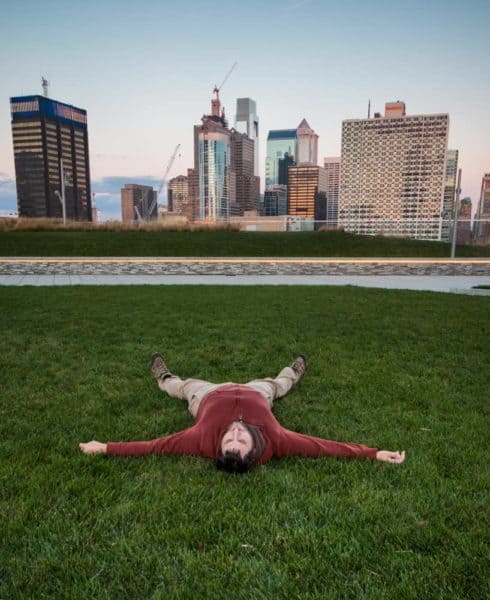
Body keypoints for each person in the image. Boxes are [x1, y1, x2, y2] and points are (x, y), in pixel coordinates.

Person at [80, 354, 406, 473]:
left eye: (229, 441)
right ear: (254, 449)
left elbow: (154, 446)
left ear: (218, 449)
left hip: (208, 394)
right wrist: (374, 454)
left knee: (179, 388)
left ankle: (162, 375)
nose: (235, 433)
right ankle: (296, 368)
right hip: (256, 393)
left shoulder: (199, 439)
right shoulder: (276, 440)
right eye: (241, 440)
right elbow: (323, 447)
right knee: (279, 386)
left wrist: (105, 447)